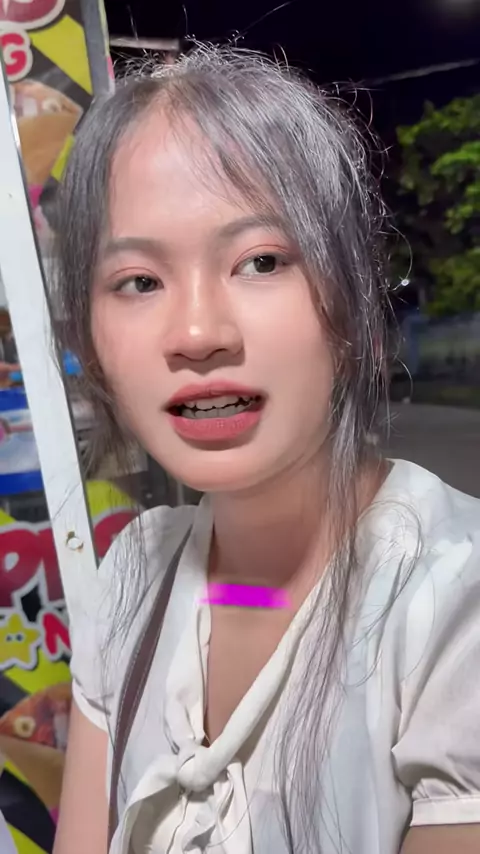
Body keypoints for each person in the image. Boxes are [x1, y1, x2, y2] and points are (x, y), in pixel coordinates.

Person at [52, 47, 480, 854]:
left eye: (260, 261)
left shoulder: (455, 605)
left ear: (353, 305)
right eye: (138, 281)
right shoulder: (134, 576)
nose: (197, 333)